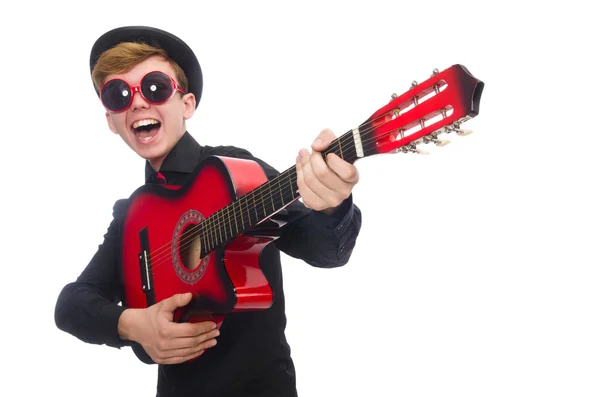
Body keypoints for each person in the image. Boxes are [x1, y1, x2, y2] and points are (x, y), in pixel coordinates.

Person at [54, 25, 362, 397]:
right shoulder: (132, 218)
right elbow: (70, 304)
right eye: (119, 94)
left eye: (155, 87)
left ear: (186, 104)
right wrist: (133, 325)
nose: (137, 103)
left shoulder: (234, 173)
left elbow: (324, 251)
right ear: (111, 120)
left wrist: (333, 205)